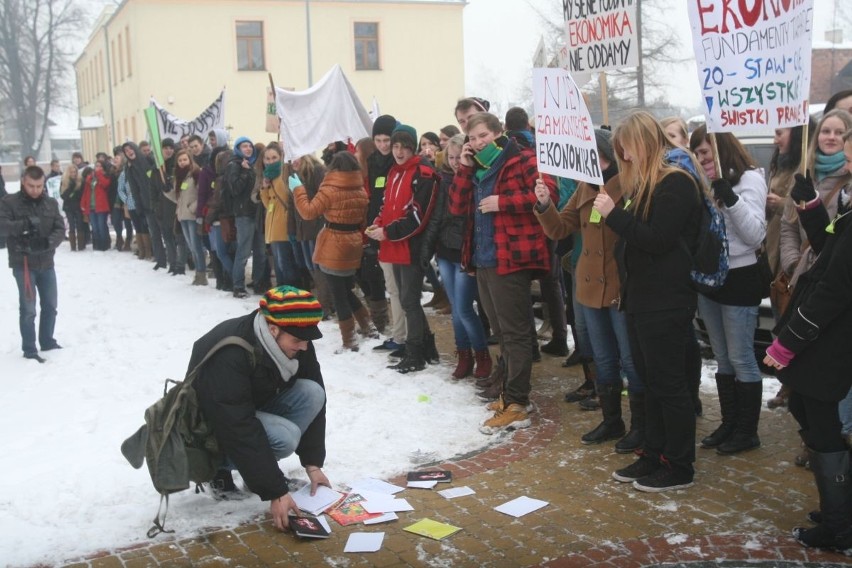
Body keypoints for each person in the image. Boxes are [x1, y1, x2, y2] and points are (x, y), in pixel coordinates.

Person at [595, 111, 702, 492]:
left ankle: (680, 464)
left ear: (643, 142)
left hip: (666, 300)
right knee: (650, 381)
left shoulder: (676, 184)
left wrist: (614, 216)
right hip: (641, 298)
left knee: (670, 384)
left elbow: (657, 239)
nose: (623, 154)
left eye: (626, 146)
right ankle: (655, 452)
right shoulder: (644, 185)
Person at [763, 128, 852, 555]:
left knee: (818, 412)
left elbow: (835, 285)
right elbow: (831, 248)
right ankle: (839, 509)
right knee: (807, 407)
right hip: (826, 331)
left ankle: (839, 525)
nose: (848, 167)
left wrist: (789, 341)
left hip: (834, 335)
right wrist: (812, 206)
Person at [535, 128, 644, 453]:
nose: (588, 161)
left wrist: (614, 208)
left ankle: (641, 426)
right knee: (603, 358)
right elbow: (559, 227)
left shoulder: (629, 184)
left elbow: (639, 231)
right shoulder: (584, 187)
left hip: (619, 285)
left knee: (629, 358)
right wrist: (544, 204)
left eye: (593, 155)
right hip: (586, 284)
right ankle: (612, 420)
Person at [448, 111, 556, 433]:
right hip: (483, 258)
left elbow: (547, 194)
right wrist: (465, 168)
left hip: (511, 258)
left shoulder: (523, 159)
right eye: (473, 138)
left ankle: (518, 403)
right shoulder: (477, 166)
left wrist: (502, 202)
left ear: (498, 133)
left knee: (516, 333)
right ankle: (510, 394)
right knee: (500, 331)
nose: (479, 142)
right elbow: (455, 207)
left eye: (483, 135)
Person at [192, 285, 330, 530]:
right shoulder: (232, 352)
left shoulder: (296, 338)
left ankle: (256, 472)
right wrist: (275, 491)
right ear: (273, 329)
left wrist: (313, 465)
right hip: (210, 425)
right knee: (284, 438)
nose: (304, 348)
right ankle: (218, 470)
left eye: (307, 340)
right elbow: (237, 425)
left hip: (252, 408)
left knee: (312, 393)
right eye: (297, 340)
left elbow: (317, 402)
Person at [690, 126, 768, 455]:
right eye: (697, 154)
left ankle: (747, 430)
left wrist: (732, 200)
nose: (702, 159)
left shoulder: (750, 179)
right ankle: (729, 421)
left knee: (740, 357)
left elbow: (755, 235)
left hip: (740, 276)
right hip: (711, 279)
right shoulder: (702, 183)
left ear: (721, 148)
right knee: (721, 357)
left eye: (705, 152)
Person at [366, 123, 438, 373]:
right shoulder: (394, 172)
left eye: (403, 147)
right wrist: (378, 223)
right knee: (405, 298)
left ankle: (415, 351)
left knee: (409, 300)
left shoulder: (422, 172)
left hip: (412, 246)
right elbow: (386, 205)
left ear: (413, 148)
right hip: (394, 244)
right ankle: (426, 346)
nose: (398, 151)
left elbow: (418, 215)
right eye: (395, 146)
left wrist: (387, 231)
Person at [422, 133, 493, 380]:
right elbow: (436, 217)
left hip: (465, 251)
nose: (454, 162)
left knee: (464, 308)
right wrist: (429, 248)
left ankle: (482, 354)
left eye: (457, 157)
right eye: (450, 157)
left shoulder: (475, 180)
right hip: (445, 251)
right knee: (456, 309)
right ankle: (464, 355)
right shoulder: (441, 181)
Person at [292, 151, 374, 351]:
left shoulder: (329, 188)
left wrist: (298, 190)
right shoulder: (360, 190)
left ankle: (349, 341)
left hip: (333, 244)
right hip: (352, 242)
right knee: (346, 289)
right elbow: (363, 220)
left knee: (339, 295)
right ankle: (368, 327)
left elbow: (308, 211)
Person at [0, 166, 66, 362]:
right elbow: (2, 226)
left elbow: (60, 228)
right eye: (31, 186)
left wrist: (47, 242)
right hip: (24, 263)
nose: (35, 190)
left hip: (46, 261)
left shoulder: (50, 203)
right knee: (28, 308)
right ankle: (29, 348)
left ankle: (47, 340)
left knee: (50, 305)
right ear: (23, 182)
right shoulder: (9, 202)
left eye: (39, 186)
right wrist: (24, 226)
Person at [366, 115, 404, 352]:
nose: (383, 145)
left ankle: (404, 337)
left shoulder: (398, 164)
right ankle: (398, 334)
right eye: (378, 140)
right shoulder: (371, 162)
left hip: (395, 232)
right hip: (377, 228)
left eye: (386, 140)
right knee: (391, 287)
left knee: (400, 290)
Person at [259, 143, 299, 288]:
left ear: (281, 157)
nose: (270, 161)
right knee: (279, 266)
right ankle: (282, 297)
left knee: (286, 266)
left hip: (284, 226)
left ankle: (290, 297)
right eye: (267, 158)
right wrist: (264, 187)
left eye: (274, 158)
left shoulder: (285, 174)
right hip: (272, 227)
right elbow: (267, 203)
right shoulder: (269, 177)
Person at [225, 136, 259, 298]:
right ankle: (238, 286)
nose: (248, 149)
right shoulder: (234, 165)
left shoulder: (252, 164)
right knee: (243, 251)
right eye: (244, 146)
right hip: (243, 214)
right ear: (238, 148)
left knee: (260, 251)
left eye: (250, 146)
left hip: (256, 212)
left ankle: (258, 282)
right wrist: (245, 172)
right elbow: (235, 190)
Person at [168, 149, 207, 285]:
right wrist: (167, 191)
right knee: (191, 246)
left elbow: (203, 193)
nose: (182, 163)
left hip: (192, 215)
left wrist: (193, 207)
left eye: (185, 159)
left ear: (190, 160)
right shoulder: (178, 176)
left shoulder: (196, 173)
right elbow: (178, 198)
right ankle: (198, 273)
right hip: (182, 215)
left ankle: (201, 275)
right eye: (180, 161)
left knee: (196, 246)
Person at [80, 160, 112, 251]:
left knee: (102, 226)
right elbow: (86, 192)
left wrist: (99, 174)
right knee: (94, 227)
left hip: (101, 206)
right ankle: (97, 245)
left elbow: (105, 184)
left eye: (99, 166)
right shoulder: (90, 178)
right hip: (91, 206)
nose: (97, 167)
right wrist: (83, 203)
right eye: (96, 166)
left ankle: (104, 245)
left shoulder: (105, 176)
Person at [60, 164, 86, 251]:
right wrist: (71, 190)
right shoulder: (64, 181)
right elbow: (63, 195)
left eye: (75, 172)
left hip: (78, 205)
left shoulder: (80, 181)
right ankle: (73, 246)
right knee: (71, 225)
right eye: (71, 172)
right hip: (68, 206)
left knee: (79, 224)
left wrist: (75, 193)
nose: (73, 174)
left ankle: (81, 245)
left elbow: (82, 194)